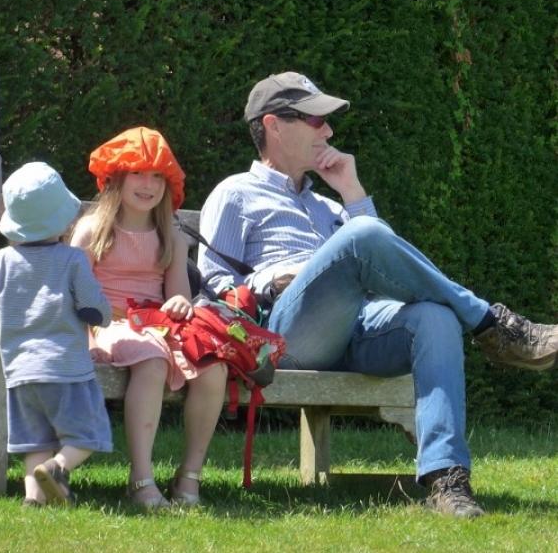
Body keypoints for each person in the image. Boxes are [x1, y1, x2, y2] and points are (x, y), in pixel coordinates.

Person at [198, 71, 558, 518]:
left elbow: (383, 257)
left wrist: (351, 190)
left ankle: (447, 481)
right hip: (285, 336)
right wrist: (270, 282)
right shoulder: (234, 194)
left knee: (434, 316)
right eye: (315, 121)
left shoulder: (328, 204)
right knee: (364, 234)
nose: (328, 131)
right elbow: (212, 287)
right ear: (273, 125)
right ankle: (494, 325)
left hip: (357, 326)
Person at [70, 127, 228, 509]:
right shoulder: (92, 230)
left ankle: (189, 475)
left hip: (157, 325)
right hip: (106, 324)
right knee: (151, 360)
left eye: (158, 176)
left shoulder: (170, 236)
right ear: (117, 178)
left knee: (212, 368)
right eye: (139, 173)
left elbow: (178, 296)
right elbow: (70, 292)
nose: (148, 184)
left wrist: (178, 304)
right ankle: (141, 478)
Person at [0, 162, 113, 507]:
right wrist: (103, 317)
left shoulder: (4, 260)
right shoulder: (73, 260)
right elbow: (95, 308)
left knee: (33, 441)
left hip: (20, 372)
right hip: (66, 368)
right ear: (65, 221)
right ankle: (58, 467)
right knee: (87, 434)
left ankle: (34, 499)